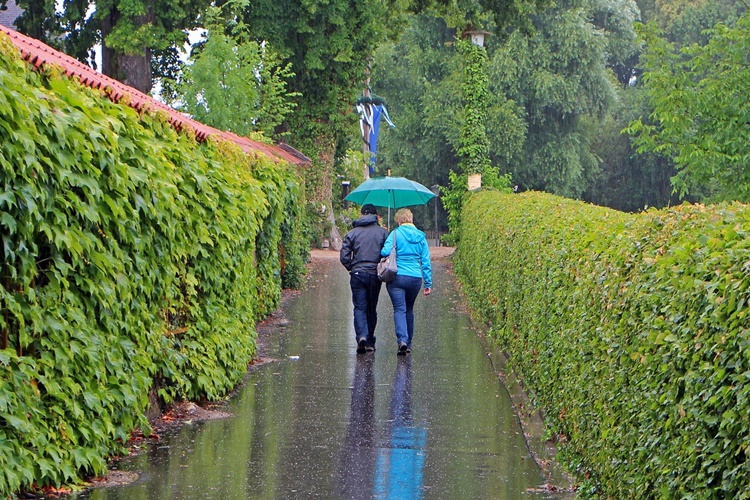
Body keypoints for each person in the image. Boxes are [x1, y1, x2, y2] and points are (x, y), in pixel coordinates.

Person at [380, 208, 432, 355]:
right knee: (409, 309)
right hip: (415, 278)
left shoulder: (395, 234)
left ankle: (402, 340)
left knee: (399, 309)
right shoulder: (421, 237)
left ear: (399, 221)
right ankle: (408, 343)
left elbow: (384, 252)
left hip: (397, 276)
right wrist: (428, 283)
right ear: (411, 220)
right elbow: (426, 261)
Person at [340, 204, 388, 353]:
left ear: (361, 215)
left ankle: (361, 336)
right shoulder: (383, 233)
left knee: (359, 307)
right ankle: (370, 342)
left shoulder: (352, 233)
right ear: (376, 216)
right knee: (371, 308)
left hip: (358, 273)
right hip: (375, 274)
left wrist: (352, 267)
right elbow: (388, 253)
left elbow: (344, 256)